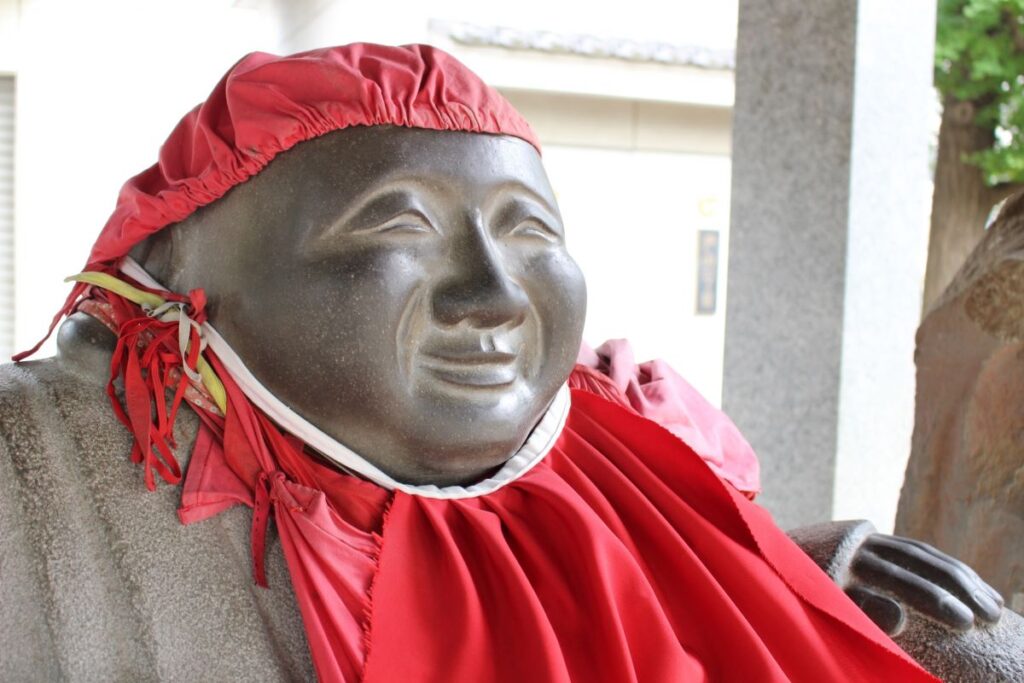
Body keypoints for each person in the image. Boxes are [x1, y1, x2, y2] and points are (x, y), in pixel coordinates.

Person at [0, 43, 1006, 682]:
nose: (492, 295)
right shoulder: (46, 468)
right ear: (180, 278)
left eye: (529, 232)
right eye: (397, 223)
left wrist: (785, 571)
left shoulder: (605, 442)